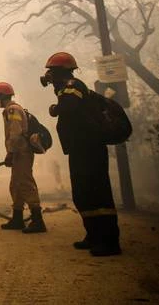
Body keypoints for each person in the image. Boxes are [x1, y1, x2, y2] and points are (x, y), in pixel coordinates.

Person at [42, 52, 121, 256]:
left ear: (61, 71)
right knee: (83, 193)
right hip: (80, 148)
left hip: (90, 147)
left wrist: (54, 108)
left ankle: (110, 241)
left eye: (52, 72)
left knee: (98, 193)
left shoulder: (73, 85)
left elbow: (69, 105)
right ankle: (94, 235)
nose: (49, 77)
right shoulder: (66, 87)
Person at [0, 82, 47, 233]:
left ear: (3, 96)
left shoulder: (13, 110)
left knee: (26, 184)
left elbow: (15, 134)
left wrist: (11, 153)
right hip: (19, 152)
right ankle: (17, 218)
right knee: (16, 185)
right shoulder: (11, 109)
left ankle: (38, 220)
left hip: (21, 152)